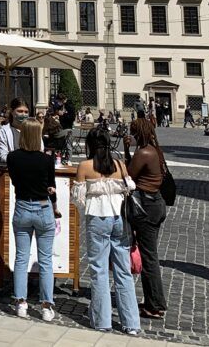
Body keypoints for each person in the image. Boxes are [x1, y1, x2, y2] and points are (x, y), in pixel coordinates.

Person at [74, 128, 141, 335]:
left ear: (90, 145)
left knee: (99, 269)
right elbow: (131, 187)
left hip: (98, 217)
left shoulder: (85, 166)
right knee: (123, 270)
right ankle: (131, 323)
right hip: (120, 218)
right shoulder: (120, 165)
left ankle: (102, 320)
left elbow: (78, 198)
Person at [7, 119, 57, 322]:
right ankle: (46, 306)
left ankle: (20, 303)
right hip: (43, 207)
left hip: (22, 207)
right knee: (45, 260)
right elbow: (51, 186)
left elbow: (14, 180)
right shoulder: (46, 160)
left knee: (21, 258)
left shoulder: (12, 157)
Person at [125, 117, 168, 319]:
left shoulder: (144, 152)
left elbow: (129, 176)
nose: (132, 135)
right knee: (149, 254)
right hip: (156, 203)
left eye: (133, 132)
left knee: (149, 257)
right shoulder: (155, 149)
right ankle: (153, 300)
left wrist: (127, 152)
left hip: (146, 206)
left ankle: (155, 305)